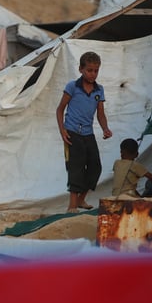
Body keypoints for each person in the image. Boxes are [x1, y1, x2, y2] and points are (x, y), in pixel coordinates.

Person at [56, 51, 112, 211]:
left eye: (96, 70)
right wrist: (62, 130)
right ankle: (72, 206)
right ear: (81, 69)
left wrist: (105, 128)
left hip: (88, 133)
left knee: (95, 167)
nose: (93, 74)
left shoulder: (99, 90)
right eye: (89, 70)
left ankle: (81, 199)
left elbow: (100, 114)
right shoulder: (72, 87)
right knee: (76, 167)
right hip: (72, 132)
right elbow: (60, 110)